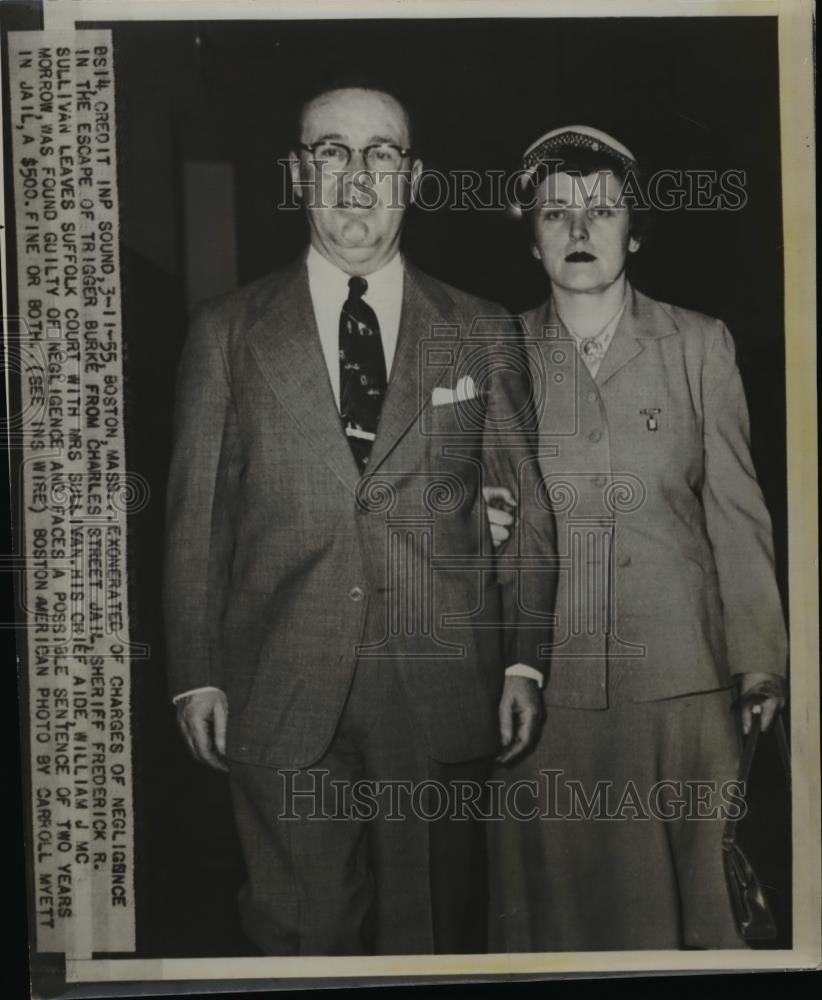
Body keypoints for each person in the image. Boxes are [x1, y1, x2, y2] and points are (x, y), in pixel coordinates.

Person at [162, 83, 555, 956]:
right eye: (331, 151)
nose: (356, 176)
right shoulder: (227, 332)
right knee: (301, 936)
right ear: (298, 173)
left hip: (439, 687)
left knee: (430, 937)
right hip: (279, 682)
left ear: (410, 177)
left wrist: (525, 657)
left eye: (381, 153)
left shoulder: (482, 332)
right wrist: (195, 673)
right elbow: (197, 516)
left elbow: (528, 513)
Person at [485, 125, 788, 951]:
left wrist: (759, 659)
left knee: (698, 909)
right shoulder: (495, 350)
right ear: (533, 238)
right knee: (560, 919)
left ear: (637, 230)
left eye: (602, 212)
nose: (580, 233)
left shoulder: (698, 343)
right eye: (556, 215)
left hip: (682, 684)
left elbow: (736, 507)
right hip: (547, 686)